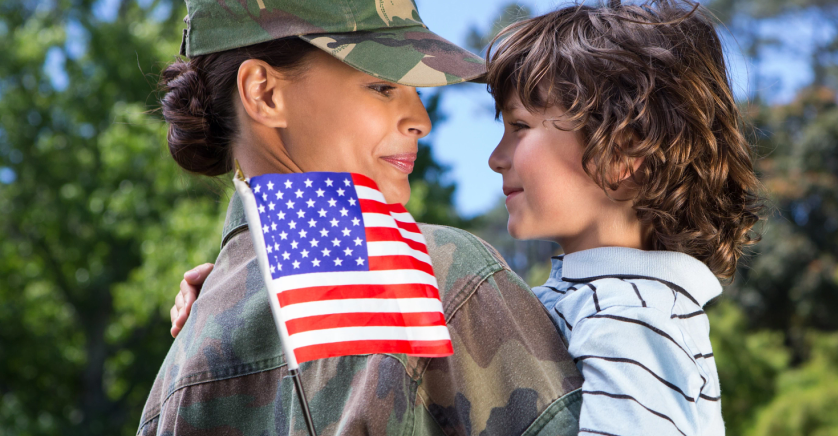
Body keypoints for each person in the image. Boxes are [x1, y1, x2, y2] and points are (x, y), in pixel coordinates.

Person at [138, 1, 582, 435]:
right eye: (383, 87)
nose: (420, 121)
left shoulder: (176, 369)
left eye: (417, 92)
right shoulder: (441, 278)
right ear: (265, 94)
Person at [483, 1, 761, 434]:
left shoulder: (631, 318)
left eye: (520, 127)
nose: (495, 159)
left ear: (621, 154)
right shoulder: (605, 303)